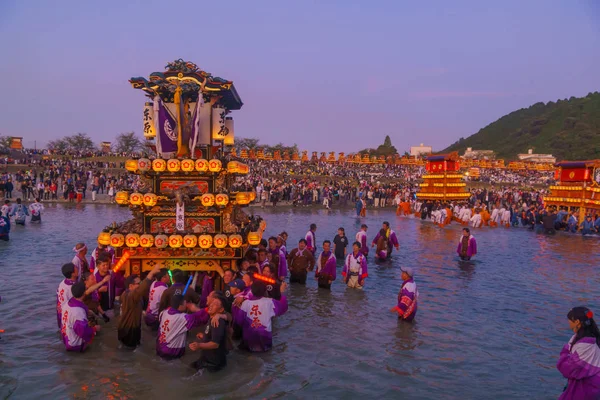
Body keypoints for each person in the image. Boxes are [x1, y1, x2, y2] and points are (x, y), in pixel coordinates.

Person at [157, 294, 225, 360]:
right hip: (172, 352)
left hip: (159, 347)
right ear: (180, 306)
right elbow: (200, 319)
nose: (186, 305)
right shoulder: (183, 318)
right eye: (185, 303)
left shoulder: (163, 312)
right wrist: (203, 309)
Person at [556, 307, 600, 399]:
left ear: (577, 322)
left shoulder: (584, 346)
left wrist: (565, 352)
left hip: (585, 389)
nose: (569, 323)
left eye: (570, 320)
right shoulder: (595, 339)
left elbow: (568, 369)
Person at [234, 281, 288, 352]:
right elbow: (283, 308)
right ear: (265, 291)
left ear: (252, 291)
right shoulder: (270, 302)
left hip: (249, 340)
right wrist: (282, 292)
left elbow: (239, 321)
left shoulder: (245, 304)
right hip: (264, 339)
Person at [117, 264, 161, 348]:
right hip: (128, 330)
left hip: (133, 327)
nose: (140, 285)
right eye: (138, 283)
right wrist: (151, 273)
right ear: (131, 286)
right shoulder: (128, 296)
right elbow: (141, 289)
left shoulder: (133, 295)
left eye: (140, 282)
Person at [189, 294, 229, 372]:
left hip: (213, 363)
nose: (211, 305)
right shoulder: (211, 319)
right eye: (212, 303)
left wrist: (199, 345)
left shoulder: (217, 322)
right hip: (206, 359)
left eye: (215, 304)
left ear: (221, 310)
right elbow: (214, 336)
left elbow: (215, 344)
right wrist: (204, 336)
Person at [60, 281, 101, 352]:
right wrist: (94, 329)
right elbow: (82, 331)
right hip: (75, 344)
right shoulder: (78, 312)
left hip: (67, 336)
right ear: (83, 293)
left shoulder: (68, 303)